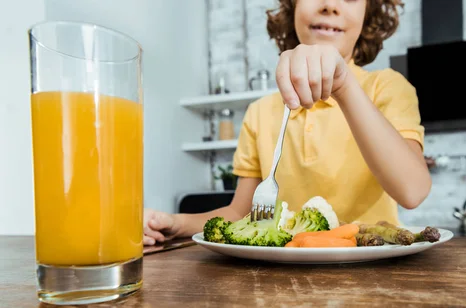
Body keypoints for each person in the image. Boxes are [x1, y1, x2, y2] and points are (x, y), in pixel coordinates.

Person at [143, 0, 431, 245]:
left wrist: (344, 87)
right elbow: (242, 214)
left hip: (375, 274)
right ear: (292, 7)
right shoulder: (259, 112)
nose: (330, 5)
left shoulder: (388, 87)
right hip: (282, 280)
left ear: (367, 15)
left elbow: (412, 191)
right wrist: (176, 222)